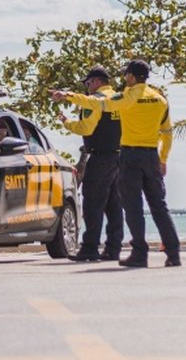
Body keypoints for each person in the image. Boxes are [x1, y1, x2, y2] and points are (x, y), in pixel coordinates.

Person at [51, 59, 181, 268]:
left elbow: (97, 104)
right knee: (159, 206)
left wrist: (67, 96)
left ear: (131, 76)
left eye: (126, 75)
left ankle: (139, 253)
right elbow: (167, 132)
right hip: (151, 156)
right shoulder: (160, 100)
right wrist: (163, 158)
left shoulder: (127, 97)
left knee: (132, 207)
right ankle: (173, 254)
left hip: (129, 156)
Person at [58, 65, 124, 262]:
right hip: (121, 157)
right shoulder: (120, 98)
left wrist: (67, 123)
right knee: (114, 206)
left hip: (100, 157)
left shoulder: (93, 101)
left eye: (87, 83)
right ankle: (113, 248)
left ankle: (90, 248)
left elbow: (86, 129)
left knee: (93, 203)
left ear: (96, 82)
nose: (87, 88)